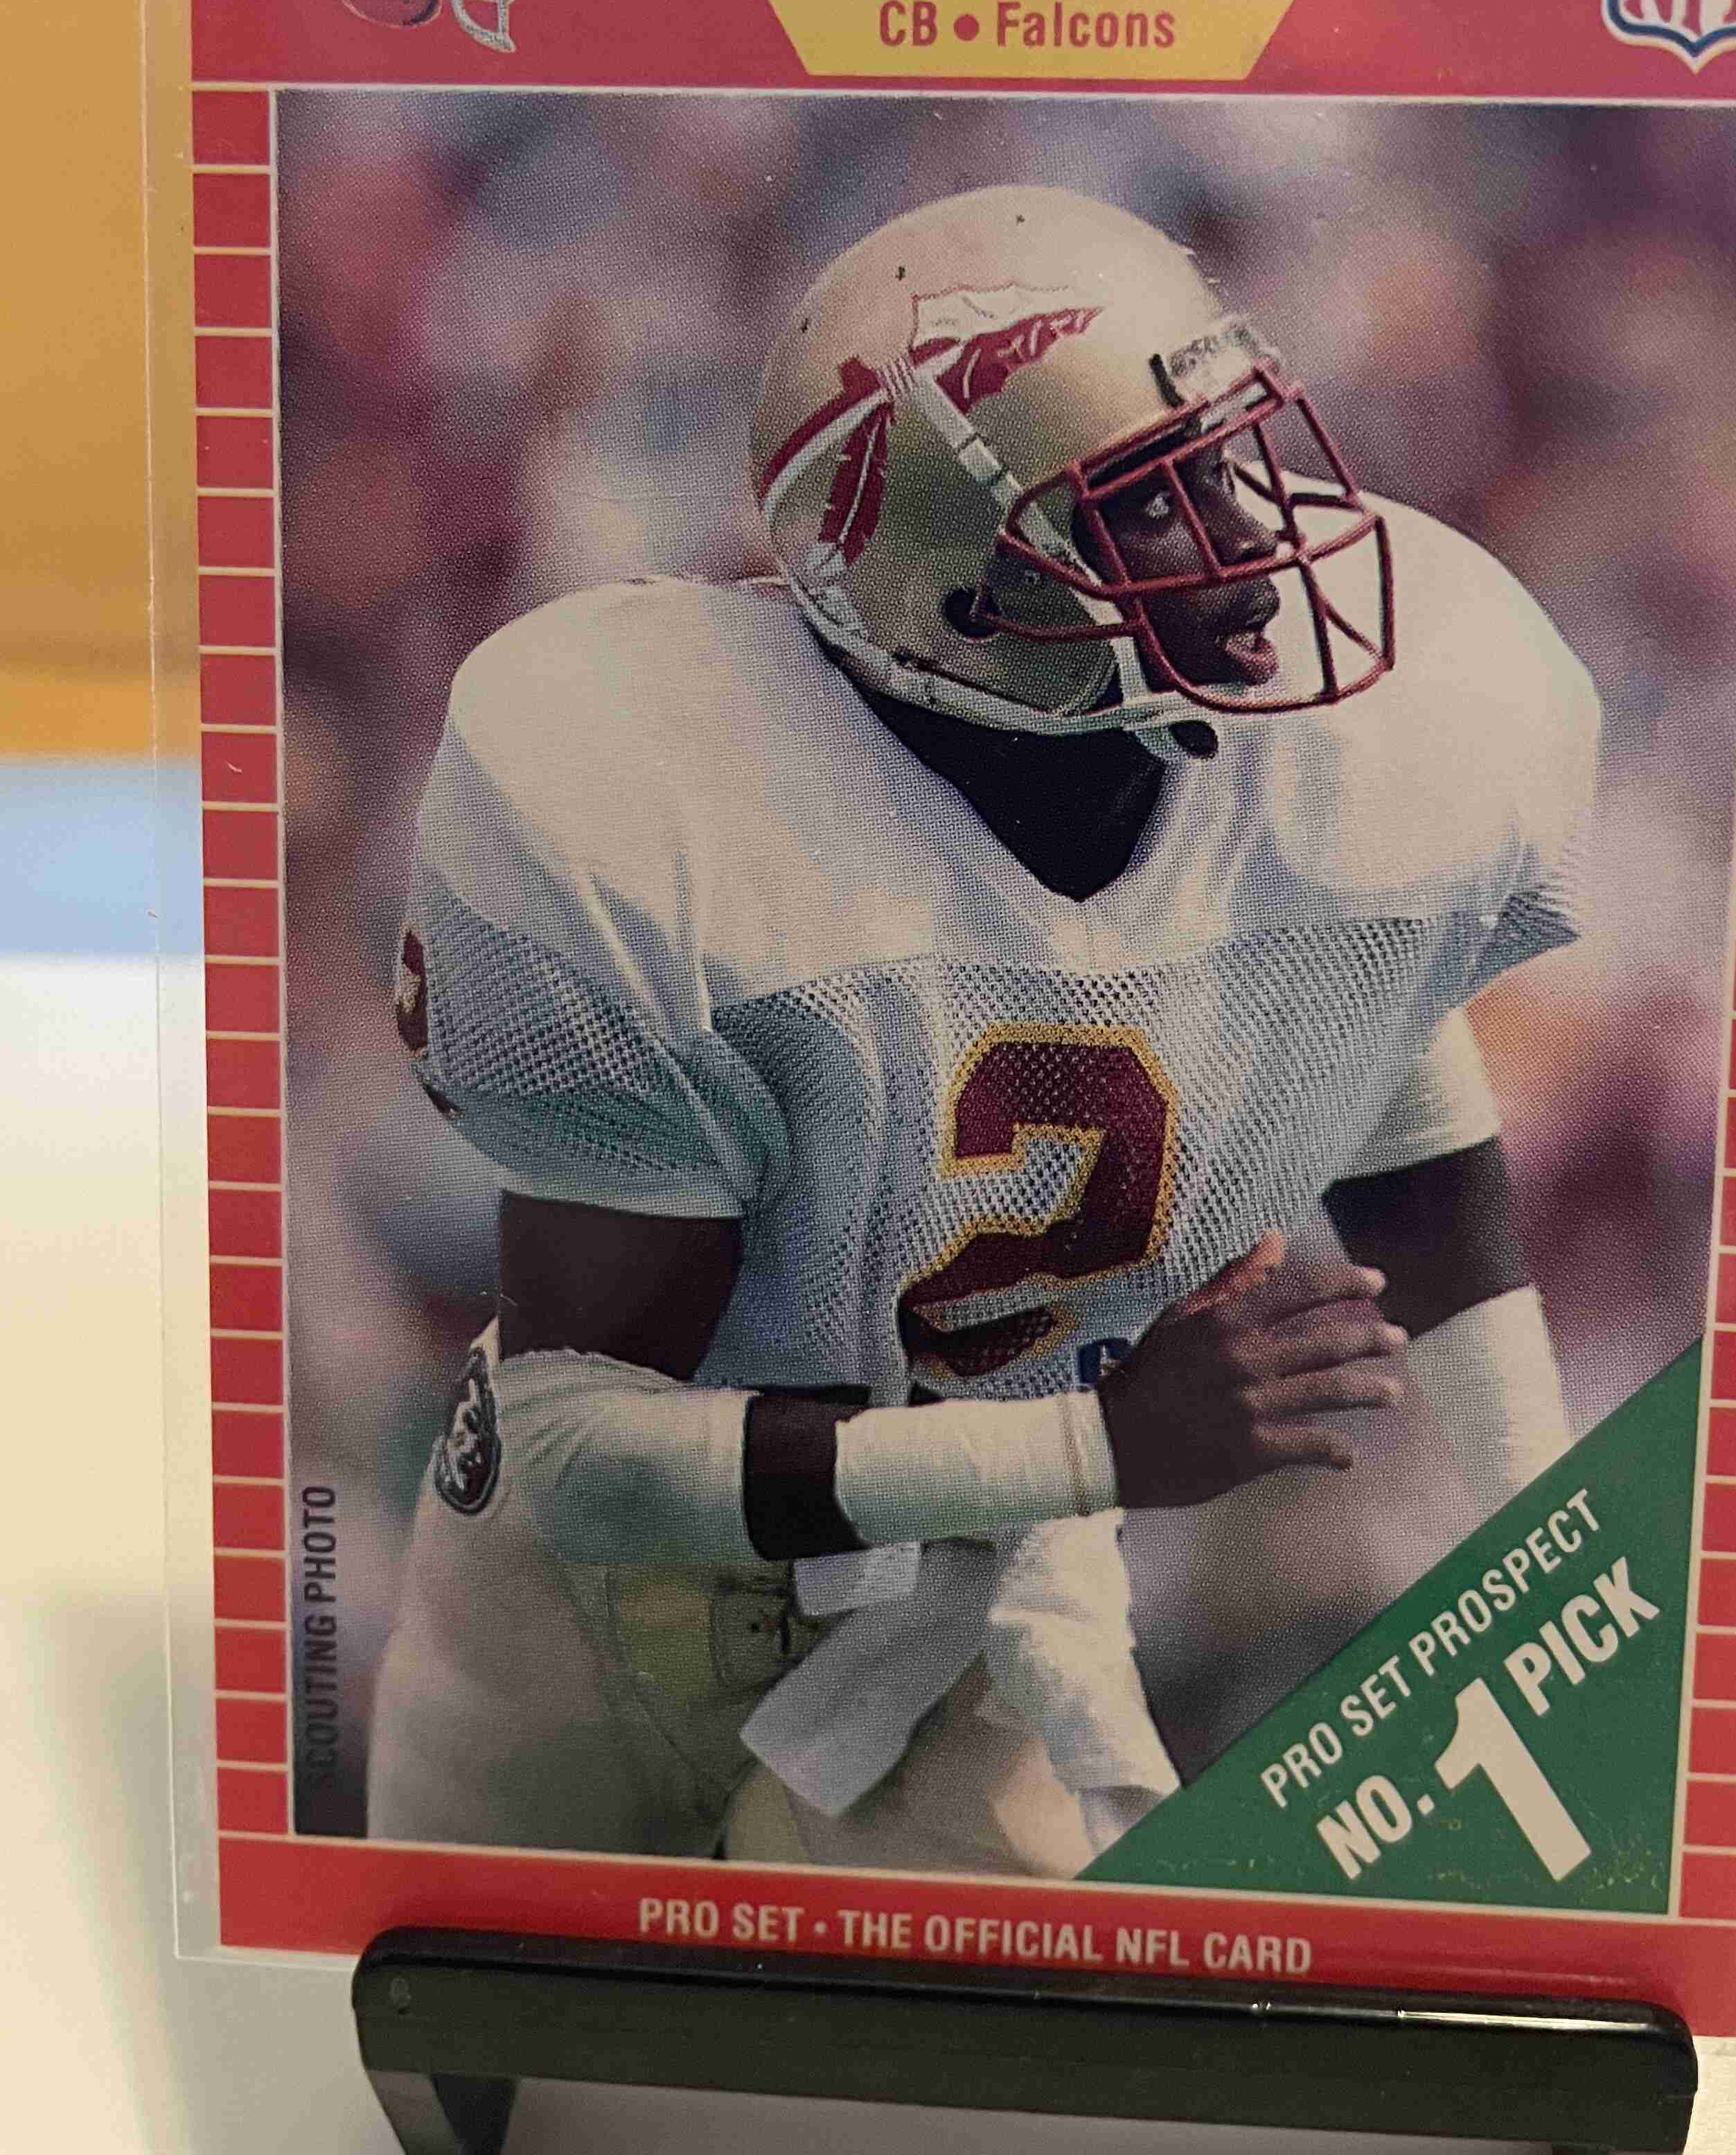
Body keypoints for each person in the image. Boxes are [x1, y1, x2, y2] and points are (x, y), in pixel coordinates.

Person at [366, 184, 1598, 1875]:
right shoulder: (675, 819)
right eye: (1148, 504)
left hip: (970, 1606)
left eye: (1228, 460)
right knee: (482, 1999)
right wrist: (1104, 1442)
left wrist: (1543, 1544)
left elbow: (1376, 1007)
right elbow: (584, 1457)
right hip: (584, 1622)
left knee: (1015, 2028)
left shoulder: (1333, 781)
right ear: (953, 582)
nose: (1249, 537)